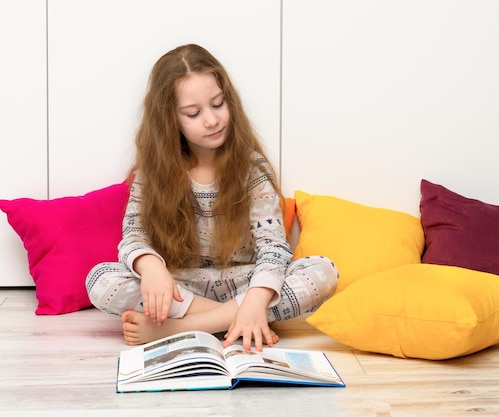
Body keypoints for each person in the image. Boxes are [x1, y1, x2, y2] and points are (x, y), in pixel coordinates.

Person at [86, 44, 338, 351]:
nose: (211, 120)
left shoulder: (250, 167)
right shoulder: (153, 172)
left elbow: (273, 247)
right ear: (170, 120)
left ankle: (185, 328)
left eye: (218, 105)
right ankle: (242, 319)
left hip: (245, 283)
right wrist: (152, 268)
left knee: (324, 271)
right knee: (99, 279)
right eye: (194, 113)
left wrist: (256, 297)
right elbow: (134, 235)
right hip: (182, 287)